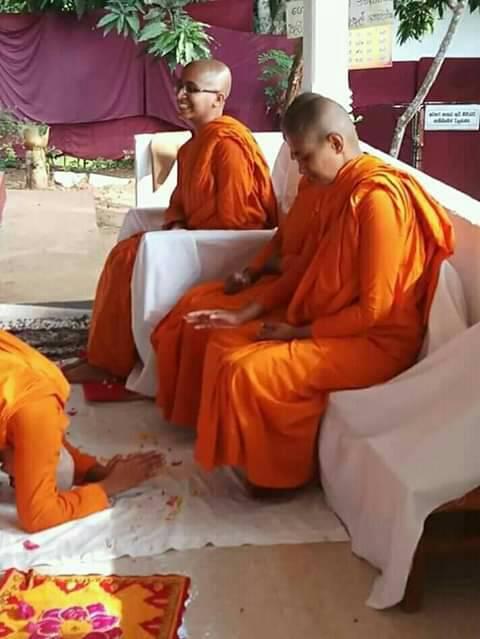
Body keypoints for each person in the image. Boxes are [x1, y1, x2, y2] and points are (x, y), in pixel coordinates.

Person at [150, 93, 454, 495]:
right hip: (333, 323)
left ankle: (280, 479)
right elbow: (306, 267)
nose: (300, 169)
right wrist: (244, 314)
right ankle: (254, 464)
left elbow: (375, 312)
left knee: (249, 369)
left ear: (335, 143)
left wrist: (297, 334)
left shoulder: (376, 200)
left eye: (304, 157)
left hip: (377, 342)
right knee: (226, 343)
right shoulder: (337, 189)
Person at [65, 59, 278, 385]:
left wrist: (186, 238)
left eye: (191, 89)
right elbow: (180, 203)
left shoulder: (228, 145)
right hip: (192, 240)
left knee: (128, 256)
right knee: (126, 253)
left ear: (218, 99)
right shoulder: (192, 146)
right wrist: (178, 225)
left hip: (224, 250)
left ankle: (110, 362)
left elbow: (242, 221)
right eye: (179, 87)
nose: (180, 95)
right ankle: (108, 352)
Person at [0, 330, 164, 533]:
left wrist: (96, 472)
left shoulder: (35, 410)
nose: (4, 470)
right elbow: (39, 516)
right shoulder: (36, 410)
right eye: (16, 478)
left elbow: (46, 440)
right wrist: (108, 485)